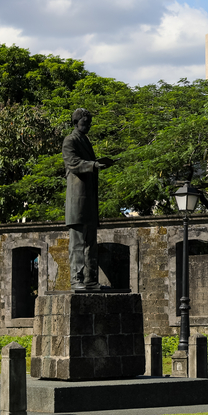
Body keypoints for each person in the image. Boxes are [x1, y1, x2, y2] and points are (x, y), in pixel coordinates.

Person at [62, 108, 114, 291]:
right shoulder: (70, 140)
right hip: (77, 201)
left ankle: (90, 280)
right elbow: (73, 163)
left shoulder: (85, 140)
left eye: (89, 123)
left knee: (90, 243)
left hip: (89, 200)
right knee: (77, 243)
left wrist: (98, 163)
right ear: (76, 123)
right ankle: (76, 280)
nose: (88, 126)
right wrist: (94, 164)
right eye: (85, 123)